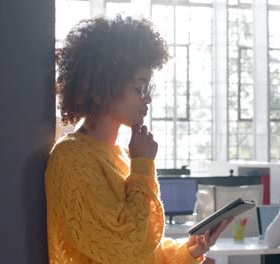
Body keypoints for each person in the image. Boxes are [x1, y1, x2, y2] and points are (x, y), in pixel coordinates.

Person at [45, 16, 231, 264]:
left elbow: (144, 251)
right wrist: (142, 165)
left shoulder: (121, 155)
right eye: (138, 88)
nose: (147, 99)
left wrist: (190, 251)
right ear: (102, 87)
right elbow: (124, 249)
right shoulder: (70, 158)